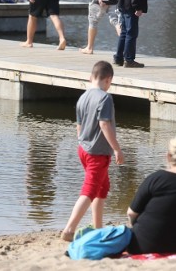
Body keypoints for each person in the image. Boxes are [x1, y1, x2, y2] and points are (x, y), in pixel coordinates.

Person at [61, 61, 124, 242]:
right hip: (97, 152)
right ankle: (69, 229)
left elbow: (79, 127)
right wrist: (117, 149)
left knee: (102, 187)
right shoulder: (105, 98)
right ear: (108, 79)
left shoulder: (83, 97)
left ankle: (97, 227)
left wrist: (83, 144)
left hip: (84, 149)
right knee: (89, 190)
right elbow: (104, 124)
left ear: (91, 77)